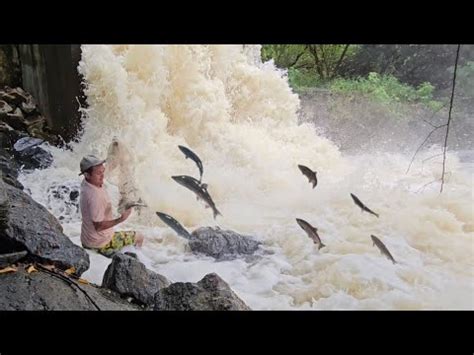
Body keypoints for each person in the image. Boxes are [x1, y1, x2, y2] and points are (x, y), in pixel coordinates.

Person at [79, 154, 144, 257]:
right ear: (87, 175)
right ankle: (137, 263)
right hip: (100, 243)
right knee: (140, 236)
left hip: (88, 239)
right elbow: (99, 227)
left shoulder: (87, 183)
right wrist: (121, 219)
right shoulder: (94, 196)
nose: (102, 175)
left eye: (103, 171)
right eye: (98, 173)